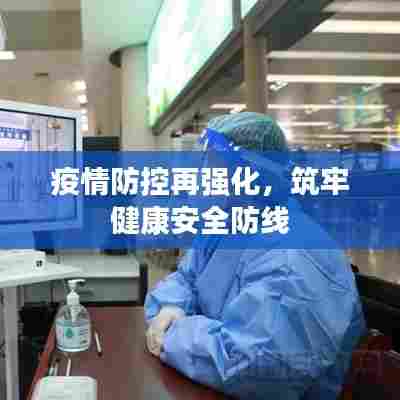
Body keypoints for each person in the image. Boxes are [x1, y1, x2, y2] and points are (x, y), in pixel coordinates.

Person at [144, 112, 366, 400]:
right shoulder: (226, 226)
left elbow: (255, 364)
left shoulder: (293, 255)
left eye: (214, 168)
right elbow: (187, 278)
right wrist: (171, 306)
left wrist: (174, 333)